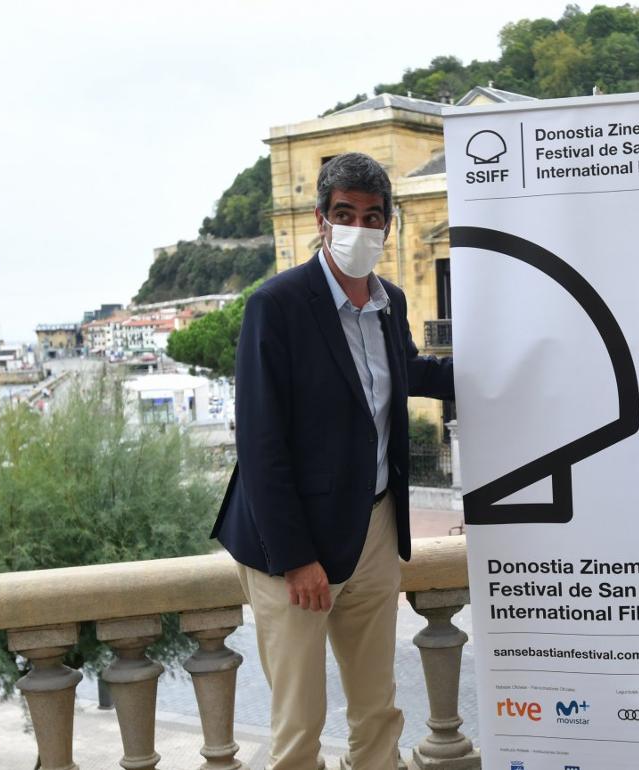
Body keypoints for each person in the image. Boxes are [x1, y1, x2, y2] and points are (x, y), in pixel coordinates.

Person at [211, 152, 455, 770]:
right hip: (290, 546)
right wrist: (297, 560)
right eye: (345, 213)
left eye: (373, 216)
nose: (359, 227)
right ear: (321, 219)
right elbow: (261, 445)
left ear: (388, 226)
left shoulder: (391, 302)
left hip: (374, 528)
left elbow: (406, 372)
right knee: (300, 721)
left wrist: (498, 367)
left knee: (378, 708)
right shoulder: (278, 305)